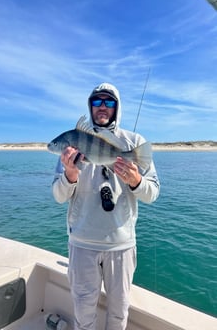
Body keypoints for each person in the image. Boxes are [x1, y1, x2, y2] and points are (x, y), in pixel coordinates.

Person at [52, 82, 160, 330]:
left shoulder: (133, 141)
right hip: (82, 245)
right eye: (97, 101)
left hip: (121, 246)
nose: (102, 106)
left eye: (108, 102)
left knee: (119, 314)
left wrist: (136, 181)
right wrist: (70, 174)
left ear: (117, 107)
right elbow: (58, 196)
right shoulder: (71, 145)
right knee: (83, 313)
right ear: (90, 106)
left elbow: (152, 193)